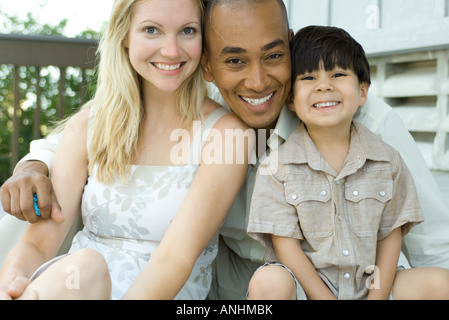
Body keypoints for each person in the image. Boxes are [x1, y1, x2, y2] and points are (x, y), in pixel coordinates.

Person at [1, 0, 449, 300]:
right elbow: (79, 137)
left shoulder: (364, 122)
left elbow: (433, 244)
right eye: (235, 60)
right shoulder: (195, 121)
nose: (257, 81)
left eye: (273, 56)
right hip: (260, 290)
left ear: (291, 47)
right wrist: (33, 161)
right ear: (210, 65)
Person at [0, 0, 253, 300]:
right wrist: (13, 278)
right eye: (151, 30)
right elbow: (39, 244)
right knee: (85, 266)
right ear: (124, 35)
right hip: (74, 288)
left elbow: (175, 260)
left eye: (187, 30)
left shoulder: (225, 135)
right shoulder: (88, 126)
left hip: (160, 292)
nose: (171, 50)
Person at [246, 25, 449, 300]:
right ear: (291, 99)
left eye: (338, 74)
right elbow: (285, 245)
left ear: (363, 91)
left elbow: (390, 235)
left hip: (370, 284)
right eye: (308, 77)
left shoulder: (387, 160)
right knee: (269, 282)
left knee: (440, 283)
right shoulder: (277, 167)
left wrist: (377, 296)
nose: (324, 85)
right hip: (307, 290)